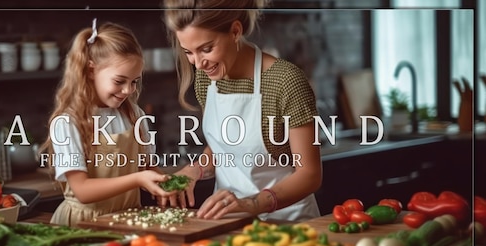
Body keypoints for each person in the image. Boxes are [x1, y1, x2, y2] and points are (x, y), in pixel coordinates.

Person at [163, 0, 322, 222]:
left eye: (206, 49)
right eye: (188, 52)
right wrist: (195, 170)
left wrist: (250, 204)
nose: (198, 64)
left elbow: (310, 175)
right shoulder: (206, 79)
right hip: (229, 223)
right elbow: (224, 148)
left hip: (289, 225)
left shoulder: (285, 81)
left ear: (235, 31)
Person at [40, 19, 174, 226]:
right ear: (91, 70)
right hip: (82, 224)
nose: (128, 90)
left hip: (128, 219)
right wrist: (138, 180)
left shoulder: (134, 115)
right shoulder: (67, 122)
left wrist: (167, 184)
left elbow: (146, 166)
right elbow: (82, 190)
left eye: (134, 82)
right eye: (120, 81)